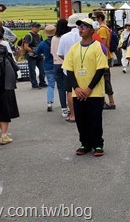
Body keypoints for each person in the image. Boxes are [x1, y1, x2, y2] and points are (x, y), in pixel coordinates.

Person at [62, 17, 109, 157]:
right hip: (78, 92)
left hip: (94, 92)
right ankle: (85, 143)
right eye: (79, 27)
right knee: (81, 119)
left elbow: (101, 69)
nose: (81, 29)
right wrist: (76, 88)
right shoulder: (74, 48)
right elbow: (69, 70)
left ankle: (98, 144)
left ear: (92, 30)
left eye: (84, 26)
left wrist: (89, 88)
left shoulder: (97, 47)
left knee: (95, 119)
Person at [58, 13, 88, 122]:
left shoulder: (64, 37)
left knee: (70, 91)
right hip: (85, 68)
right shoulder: (85, 35)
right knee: (86, 89)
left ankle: (73, 115)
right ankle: (85, 113)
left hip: (69, 69)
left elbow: (60, 54)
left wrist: (67, 60)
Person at [93, 11, 116, 109]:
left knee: (105, 79)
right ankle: (105, 101)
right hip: (105, 56)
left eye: (95, 18)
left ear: (99, 18)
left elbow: (101, 44)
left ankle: (111, 102)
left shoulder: (102, 29)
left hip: (103, 56)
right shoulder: (104, 28)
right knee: (103, 79)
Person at [52, 19, 71, 118]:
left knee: (60, 88)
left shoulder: (54, 38)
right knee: (69, 87)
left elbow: (52, 52)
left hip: (56, 64)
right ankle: (70, 106)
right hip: (66, 63)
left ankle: (64, 109)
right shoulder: (67, 37)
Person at [36, 24, 57, 112]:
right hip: (59, 64)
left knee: (50, 85)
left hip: (48, 66)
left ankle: (49, 102)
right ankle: (66, 103)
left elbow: (37, 52)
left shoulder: (43, 43)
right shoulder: (58, 41)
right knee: (62, 85)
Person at [22, 22, 47, 89]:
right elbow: (26, 46)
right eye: (36, 27)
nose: (37, 29)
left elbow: (41, 44)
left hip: (39, 55)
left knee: (42, 69)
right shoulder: (29, 36)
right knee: (32, 70)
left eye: (38, 27)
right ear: (32, 27)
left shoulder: (39, 35)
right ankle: (34, 84)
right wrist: (34, 51)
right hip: (31, 56)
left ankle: (42, 82)